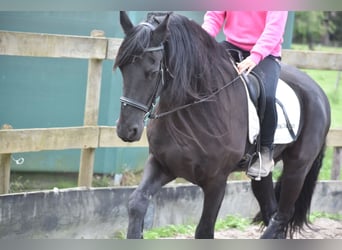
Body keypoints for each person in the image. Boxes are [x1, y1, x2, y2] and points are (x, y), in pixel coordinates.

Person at [202, 11, 288, 180]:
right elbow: (214, 16)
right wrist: (200, 40)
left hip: (266, 55)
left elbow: (274, 29)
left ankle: (265, 151)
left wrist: (254, 57)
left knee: (267, 96)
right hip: (231, 46)